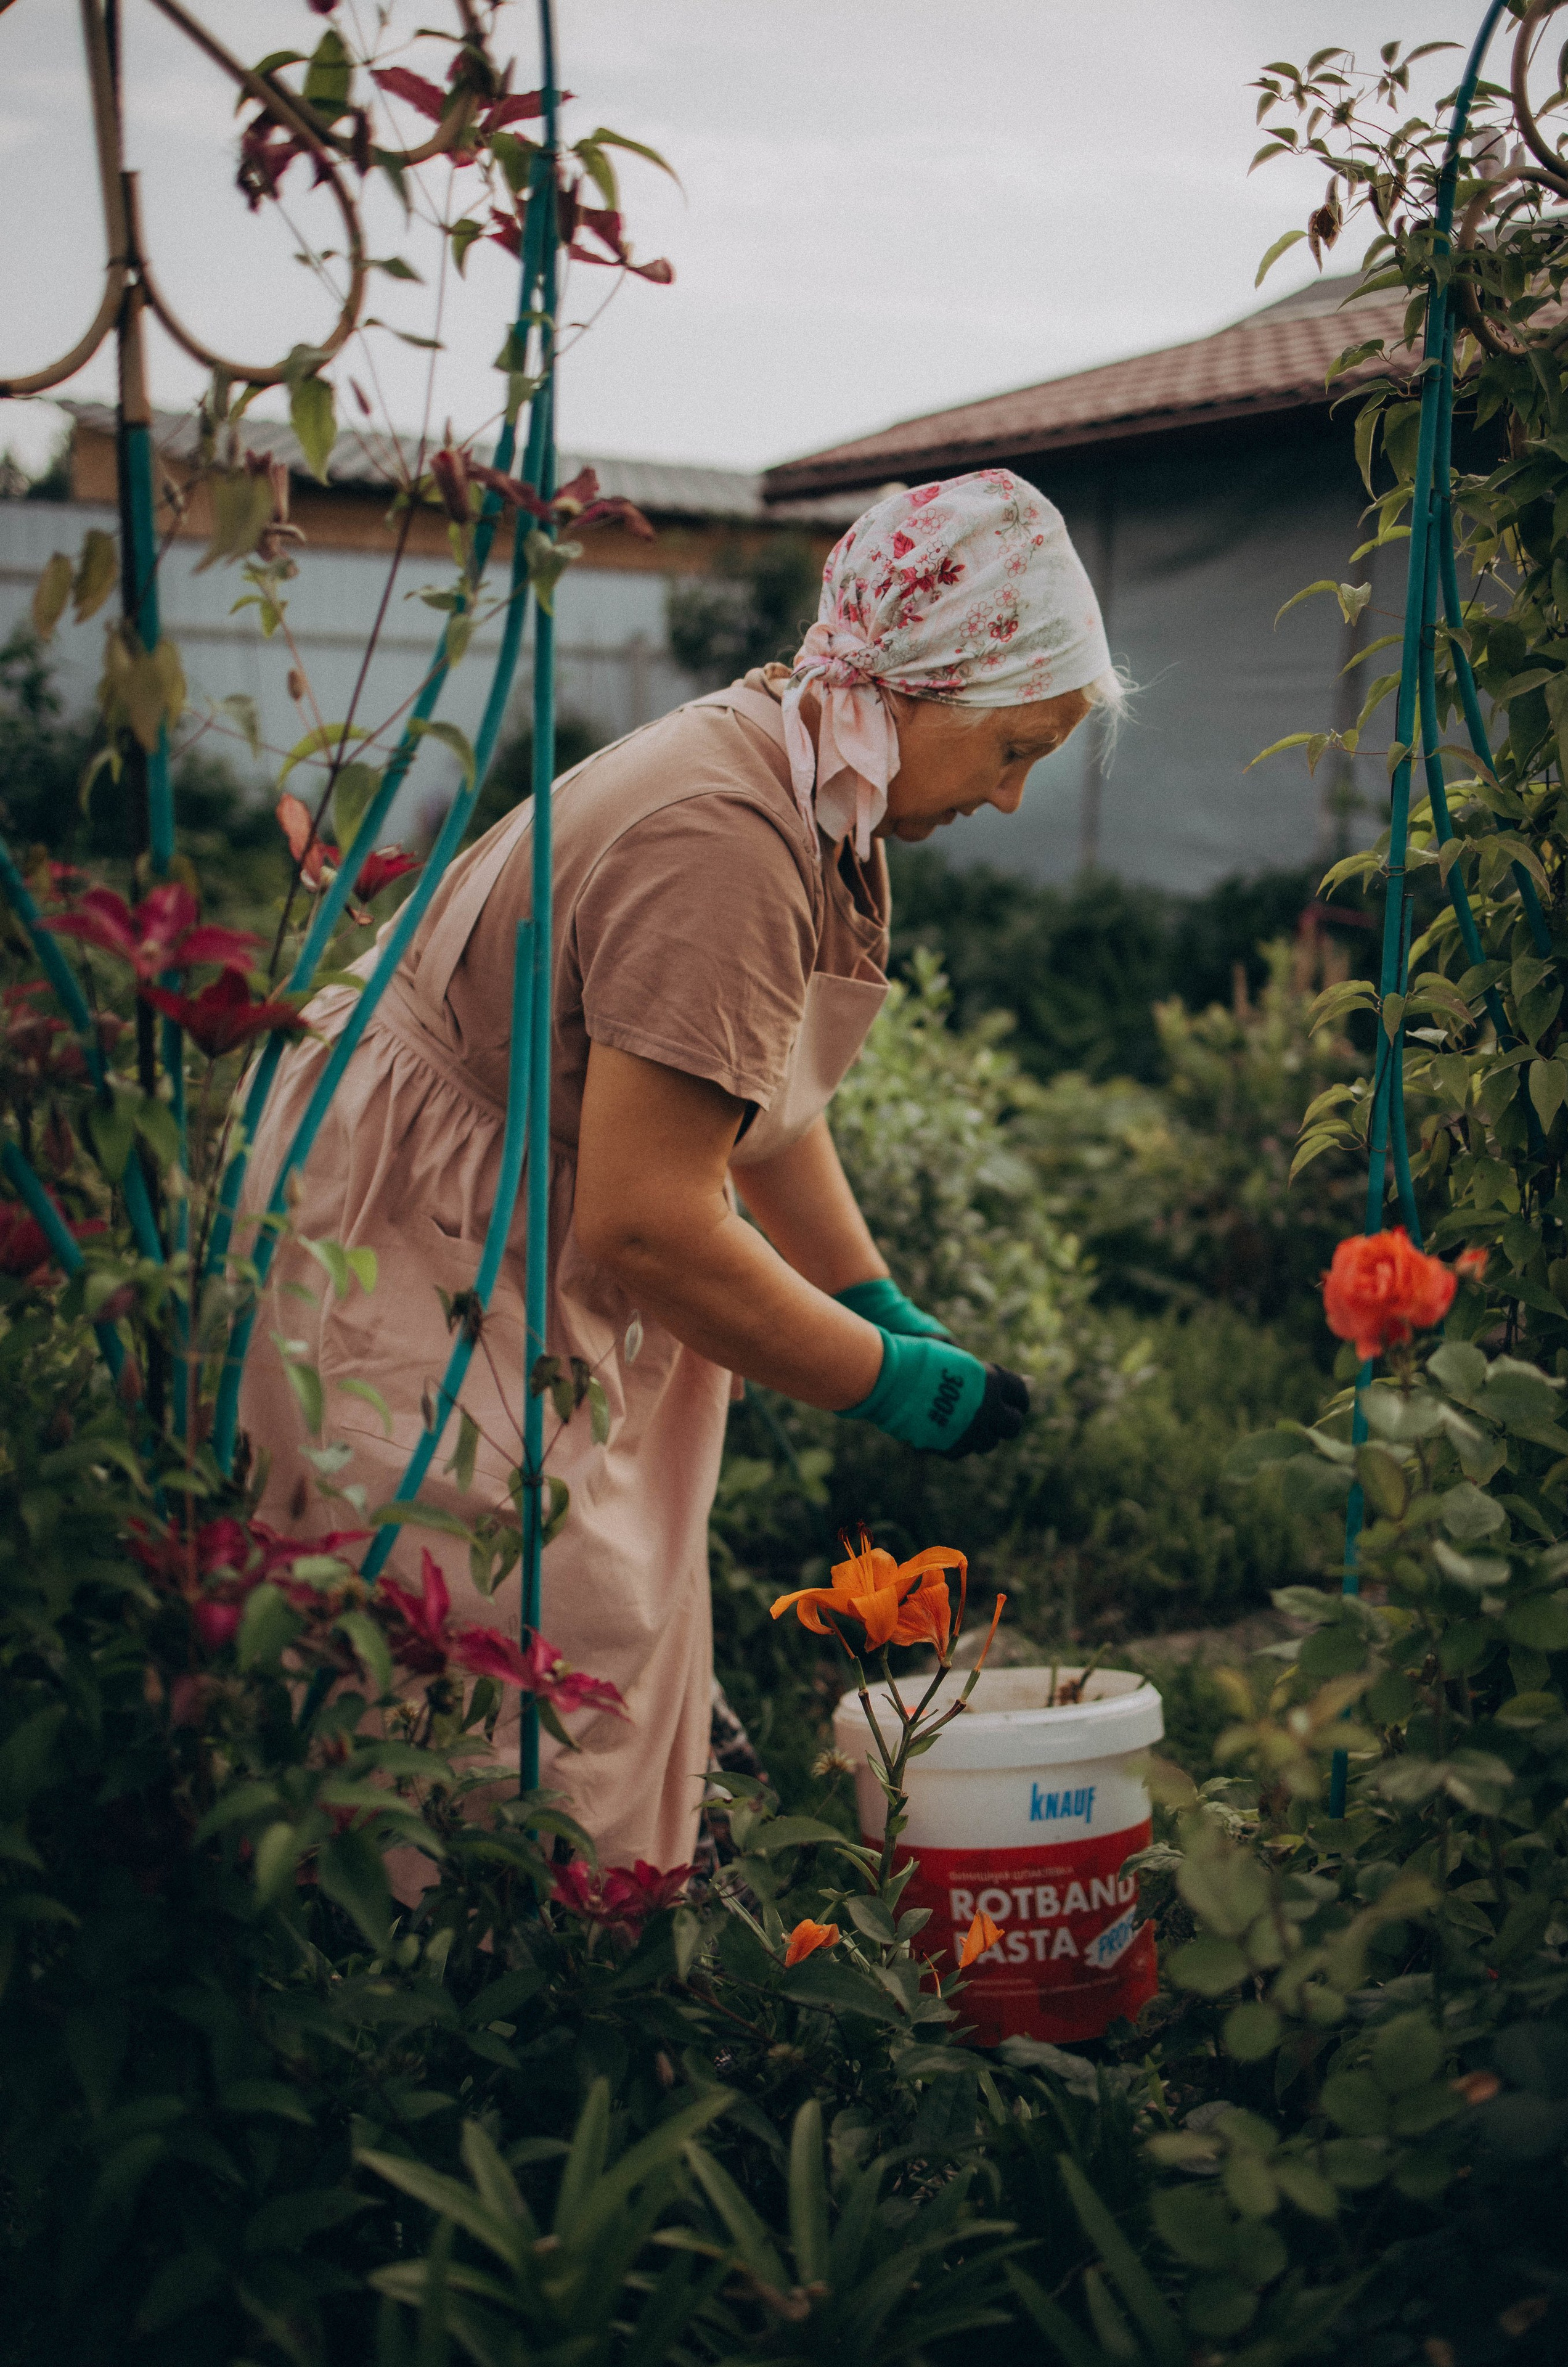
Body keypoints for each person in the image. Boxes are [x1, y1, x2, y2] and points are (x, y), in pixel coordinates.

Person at [237, 467, 1118, 1875]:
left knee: (557, 1632)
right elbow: (649, 1221)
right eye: (1012, 748)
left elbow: (752, 1100)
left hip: (487, 1185)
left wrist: (868, 1291)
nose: (1012, 798)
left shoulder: (809, 770)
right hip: (420, 1225)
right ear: (919, 688)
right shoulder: (725, 838)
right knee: (496, 1659)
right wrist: (885, 1383)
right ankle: (469, 2039)